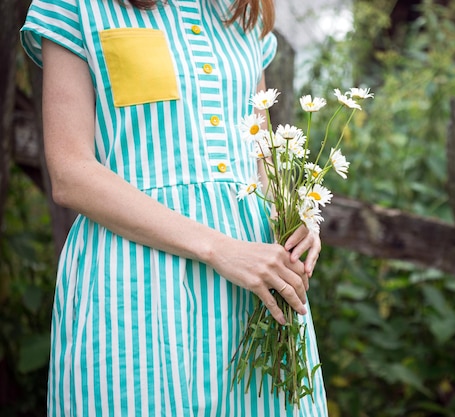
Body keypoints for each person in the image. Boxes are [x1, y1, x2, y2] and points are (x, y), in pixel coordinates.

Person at [20, 0, 328, 415]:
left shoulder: (243, 13)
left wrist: (296, 214)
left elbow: (260, 155)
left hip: (254, 283)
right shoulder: (77, 6)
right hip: (135, 281)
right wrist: (220, 248)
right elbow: (71, 173)